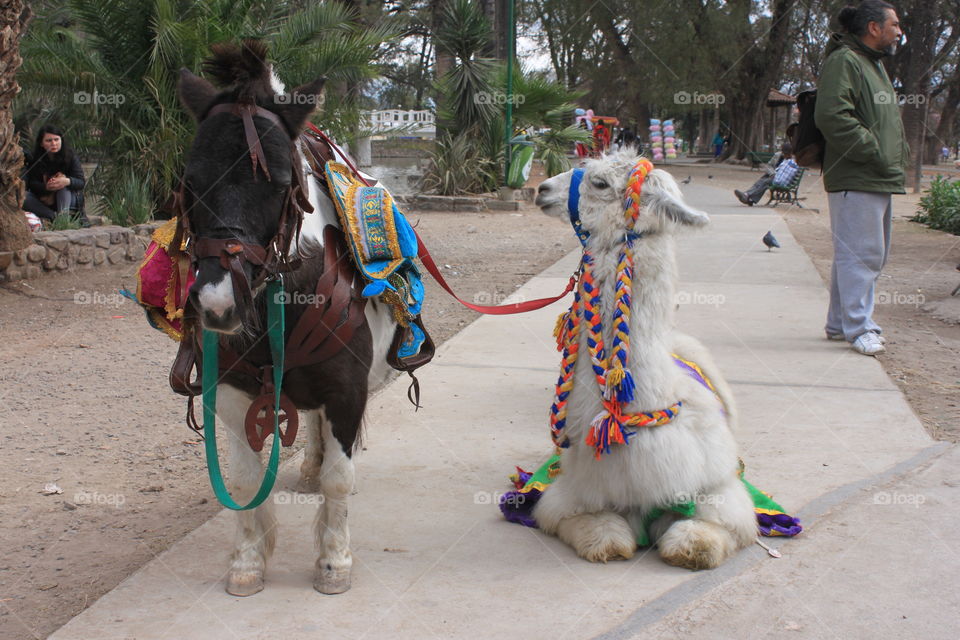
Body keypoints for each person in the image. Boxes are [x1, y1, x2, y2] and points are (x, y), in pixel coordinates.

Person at [814, 0, 907, 356]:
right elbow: (832, 115)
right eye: (894, 24)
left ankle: (840, 323)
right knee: (863, 255)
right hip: (858, 174)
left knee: (857, 254)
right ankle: (860, 328)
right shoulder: (845, 61)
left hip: (874, 175)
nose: (898, 31)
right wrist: (874, 151)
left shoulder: (871, 64)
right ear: (873, 28)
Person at [22, 125, 88, 227]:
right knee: (24, 196)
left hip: (67, 199)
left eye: (56, 139)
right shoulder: (35, 158)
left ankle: (63, 220)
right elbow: (32, 183)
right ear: (41, 143)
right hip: (43, 199)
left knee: (62, 187)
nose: (54, 143)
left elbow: (81, 182)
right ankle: (54, 218)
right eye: (48, 140)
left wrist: (67, 181)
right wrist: (46, 187)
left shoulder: (70, 156)